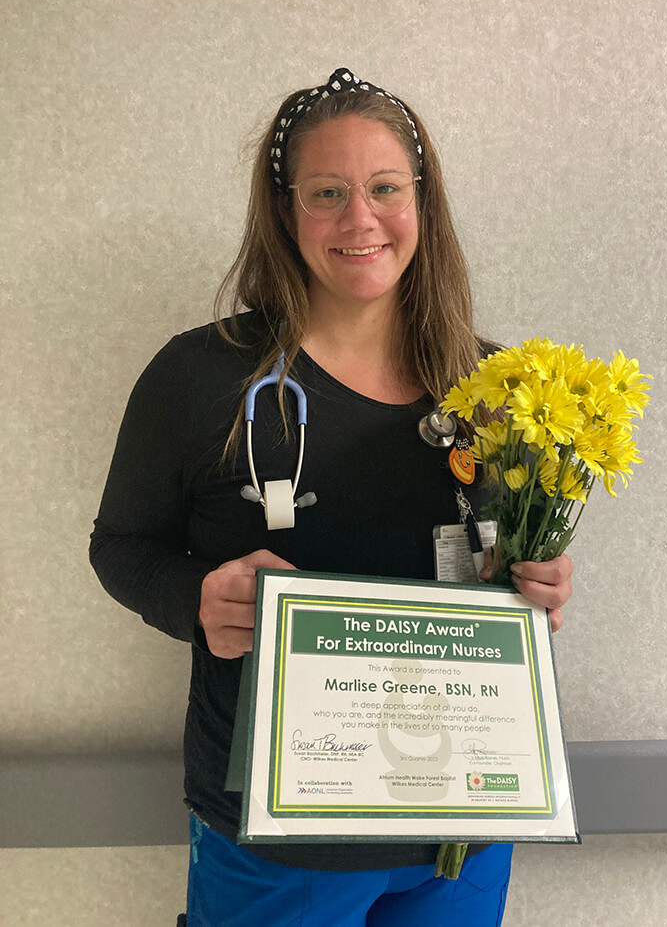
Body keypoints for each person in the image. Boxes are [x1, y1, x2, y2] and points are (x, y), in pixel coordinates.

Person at [90, 68, 574, 927]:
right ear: (285, 210)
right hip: (280, 843)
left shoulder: (493, 390)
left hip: (457, 834)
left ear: (422, 202)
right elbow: (121, 545)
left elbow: (505, 565)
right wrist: (196, 596)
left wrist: (539, 585)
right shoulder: (202, 377)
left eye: (386, 188)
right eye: (328, 192)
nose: (362, 219)